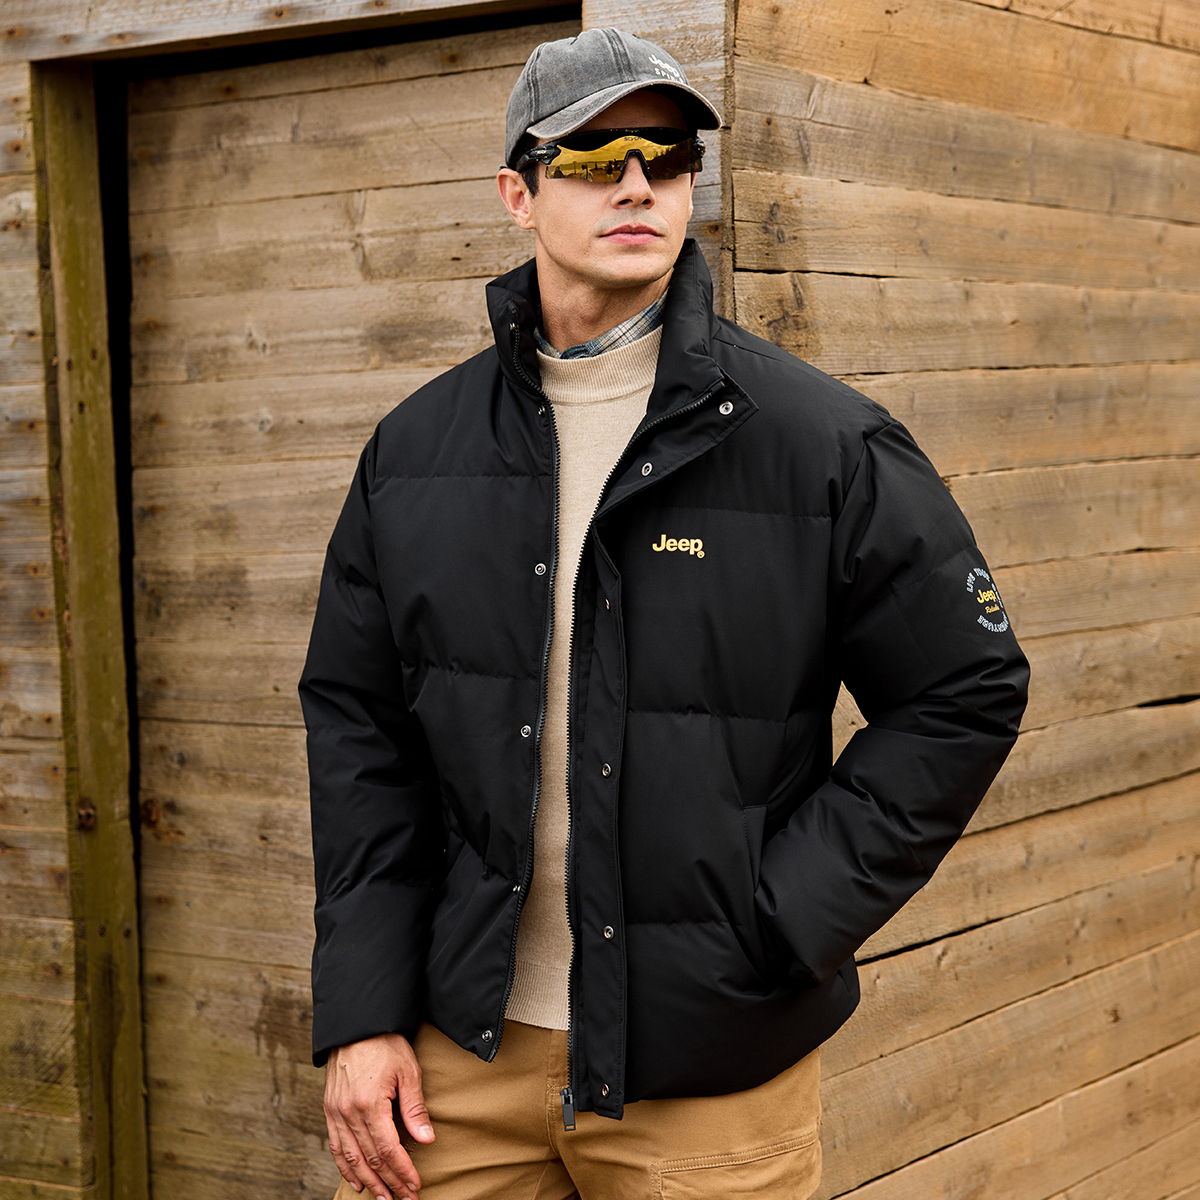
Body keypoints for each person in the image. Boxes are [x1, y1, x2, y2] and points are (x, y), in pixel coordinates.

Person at [299, 27, 1029, 1200]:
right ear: (517, 194)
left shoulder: (822, 443)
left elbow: (965, 689)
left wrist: (781, 917)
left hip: (705, 1074)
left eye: (669, 155)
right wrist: (363, 1010)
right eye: (595, 155)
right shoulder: (413, 453)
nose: (638, 182)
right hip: (455, 1064)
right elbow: (361, 736)